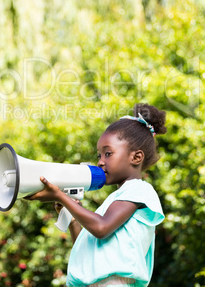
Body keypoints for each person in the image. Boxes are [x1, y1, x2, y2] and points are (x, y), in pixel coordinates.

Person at [25, 103, 166, 287]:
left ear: (136, 158)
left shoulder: (138, 190)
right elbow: (88, 251)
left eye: (108, 153)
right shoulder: (113, 201)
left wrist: (61, 196)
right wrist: (72, 215)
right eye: (99, 155)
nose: (100, 162)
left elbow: (101, 228)